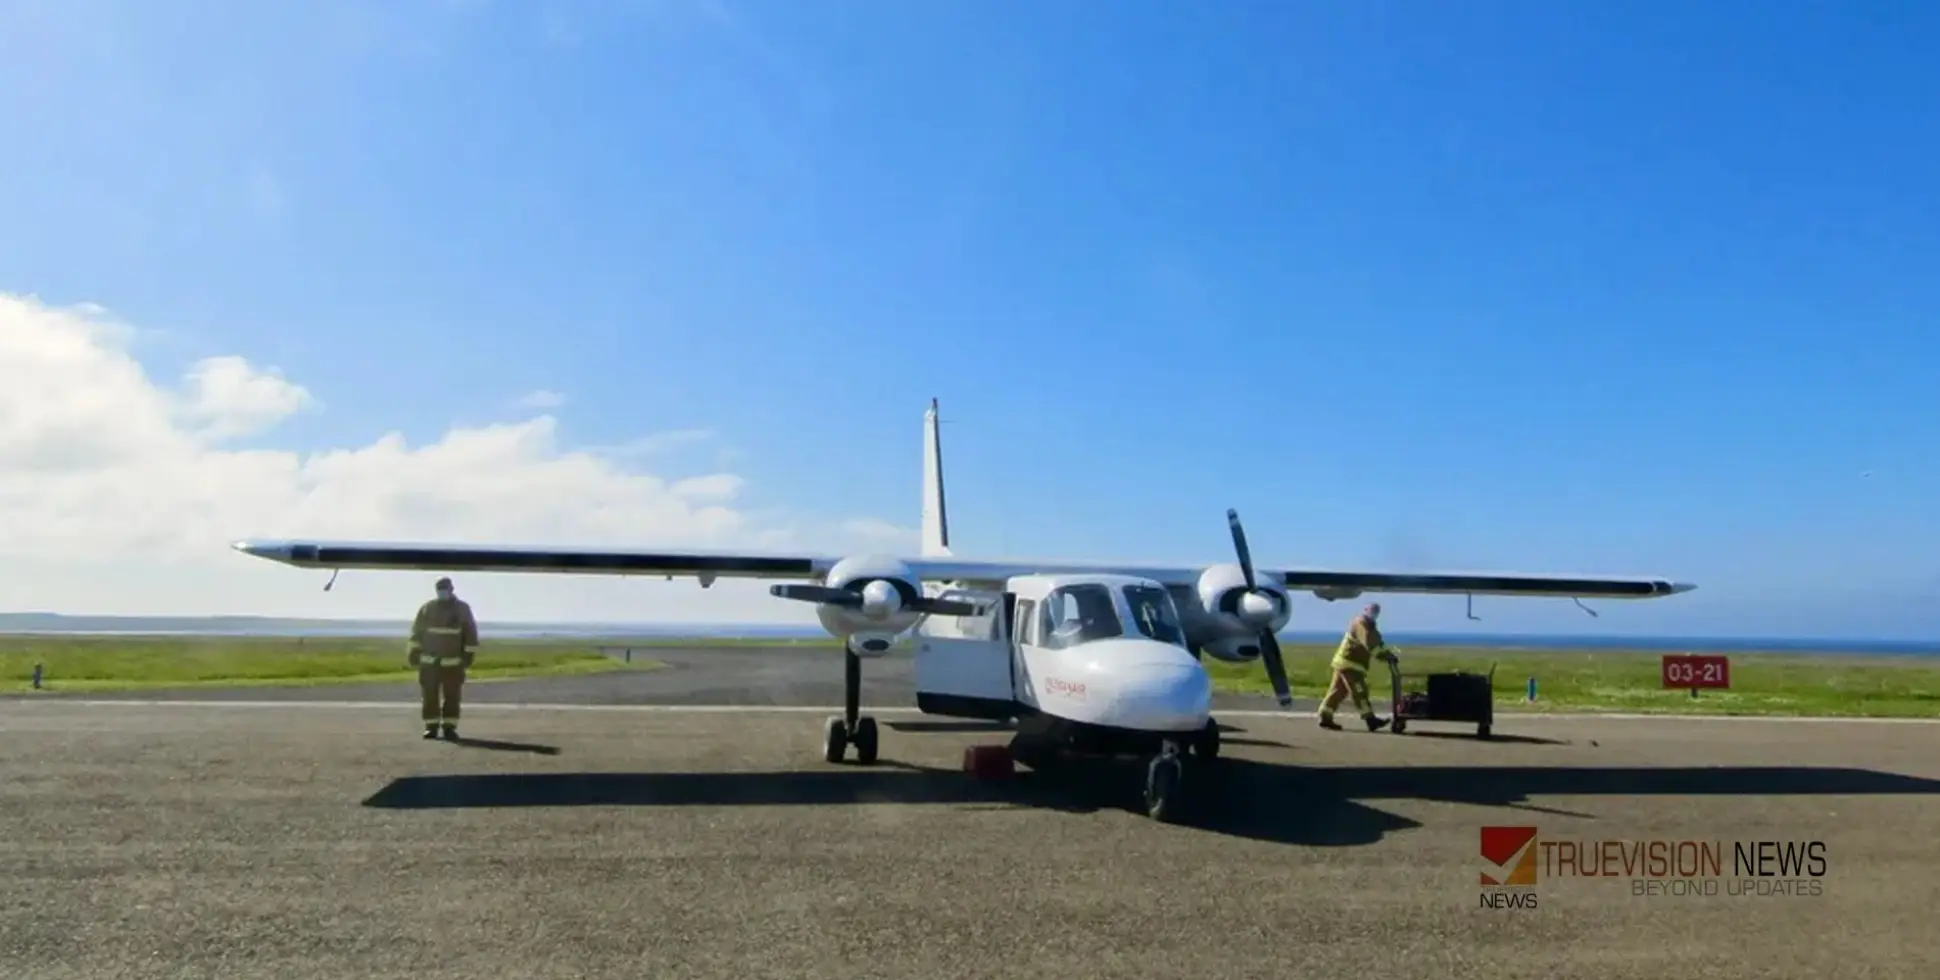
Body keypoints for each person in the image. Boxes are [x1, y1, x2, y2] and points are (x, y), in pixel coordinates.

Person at [407, 576, 479, 740]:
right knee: (429, 696)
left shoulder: (462, 609)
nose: (442, 592)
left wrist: (468, 655)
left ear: (451, 590)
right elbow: (416, 632)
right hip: (429, 663)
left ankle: (449, 727)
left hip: (453, 663)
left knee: (452, 696)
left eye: (444, 589)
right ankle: (431, 727)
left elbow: (470, 633)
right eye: (439, 589)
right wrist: (413, 652)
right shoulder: (427, 608)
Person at [1318, 602, 1396, 731]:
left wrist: (1387, 652)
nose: (1374, 613)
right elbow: (1370, 644)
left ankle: (1325, 716)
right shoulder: (1361, 624)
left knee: (1338, 692)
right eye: (1372, 610)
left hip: (1344, 663)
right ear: (1365, 610)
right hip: (1350, 664)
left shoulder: (1370, 625)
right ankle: (1370, 719)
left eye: (1376, 611)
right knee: (1359, 691)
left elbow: (1377, 641)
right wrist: (1385, 656)